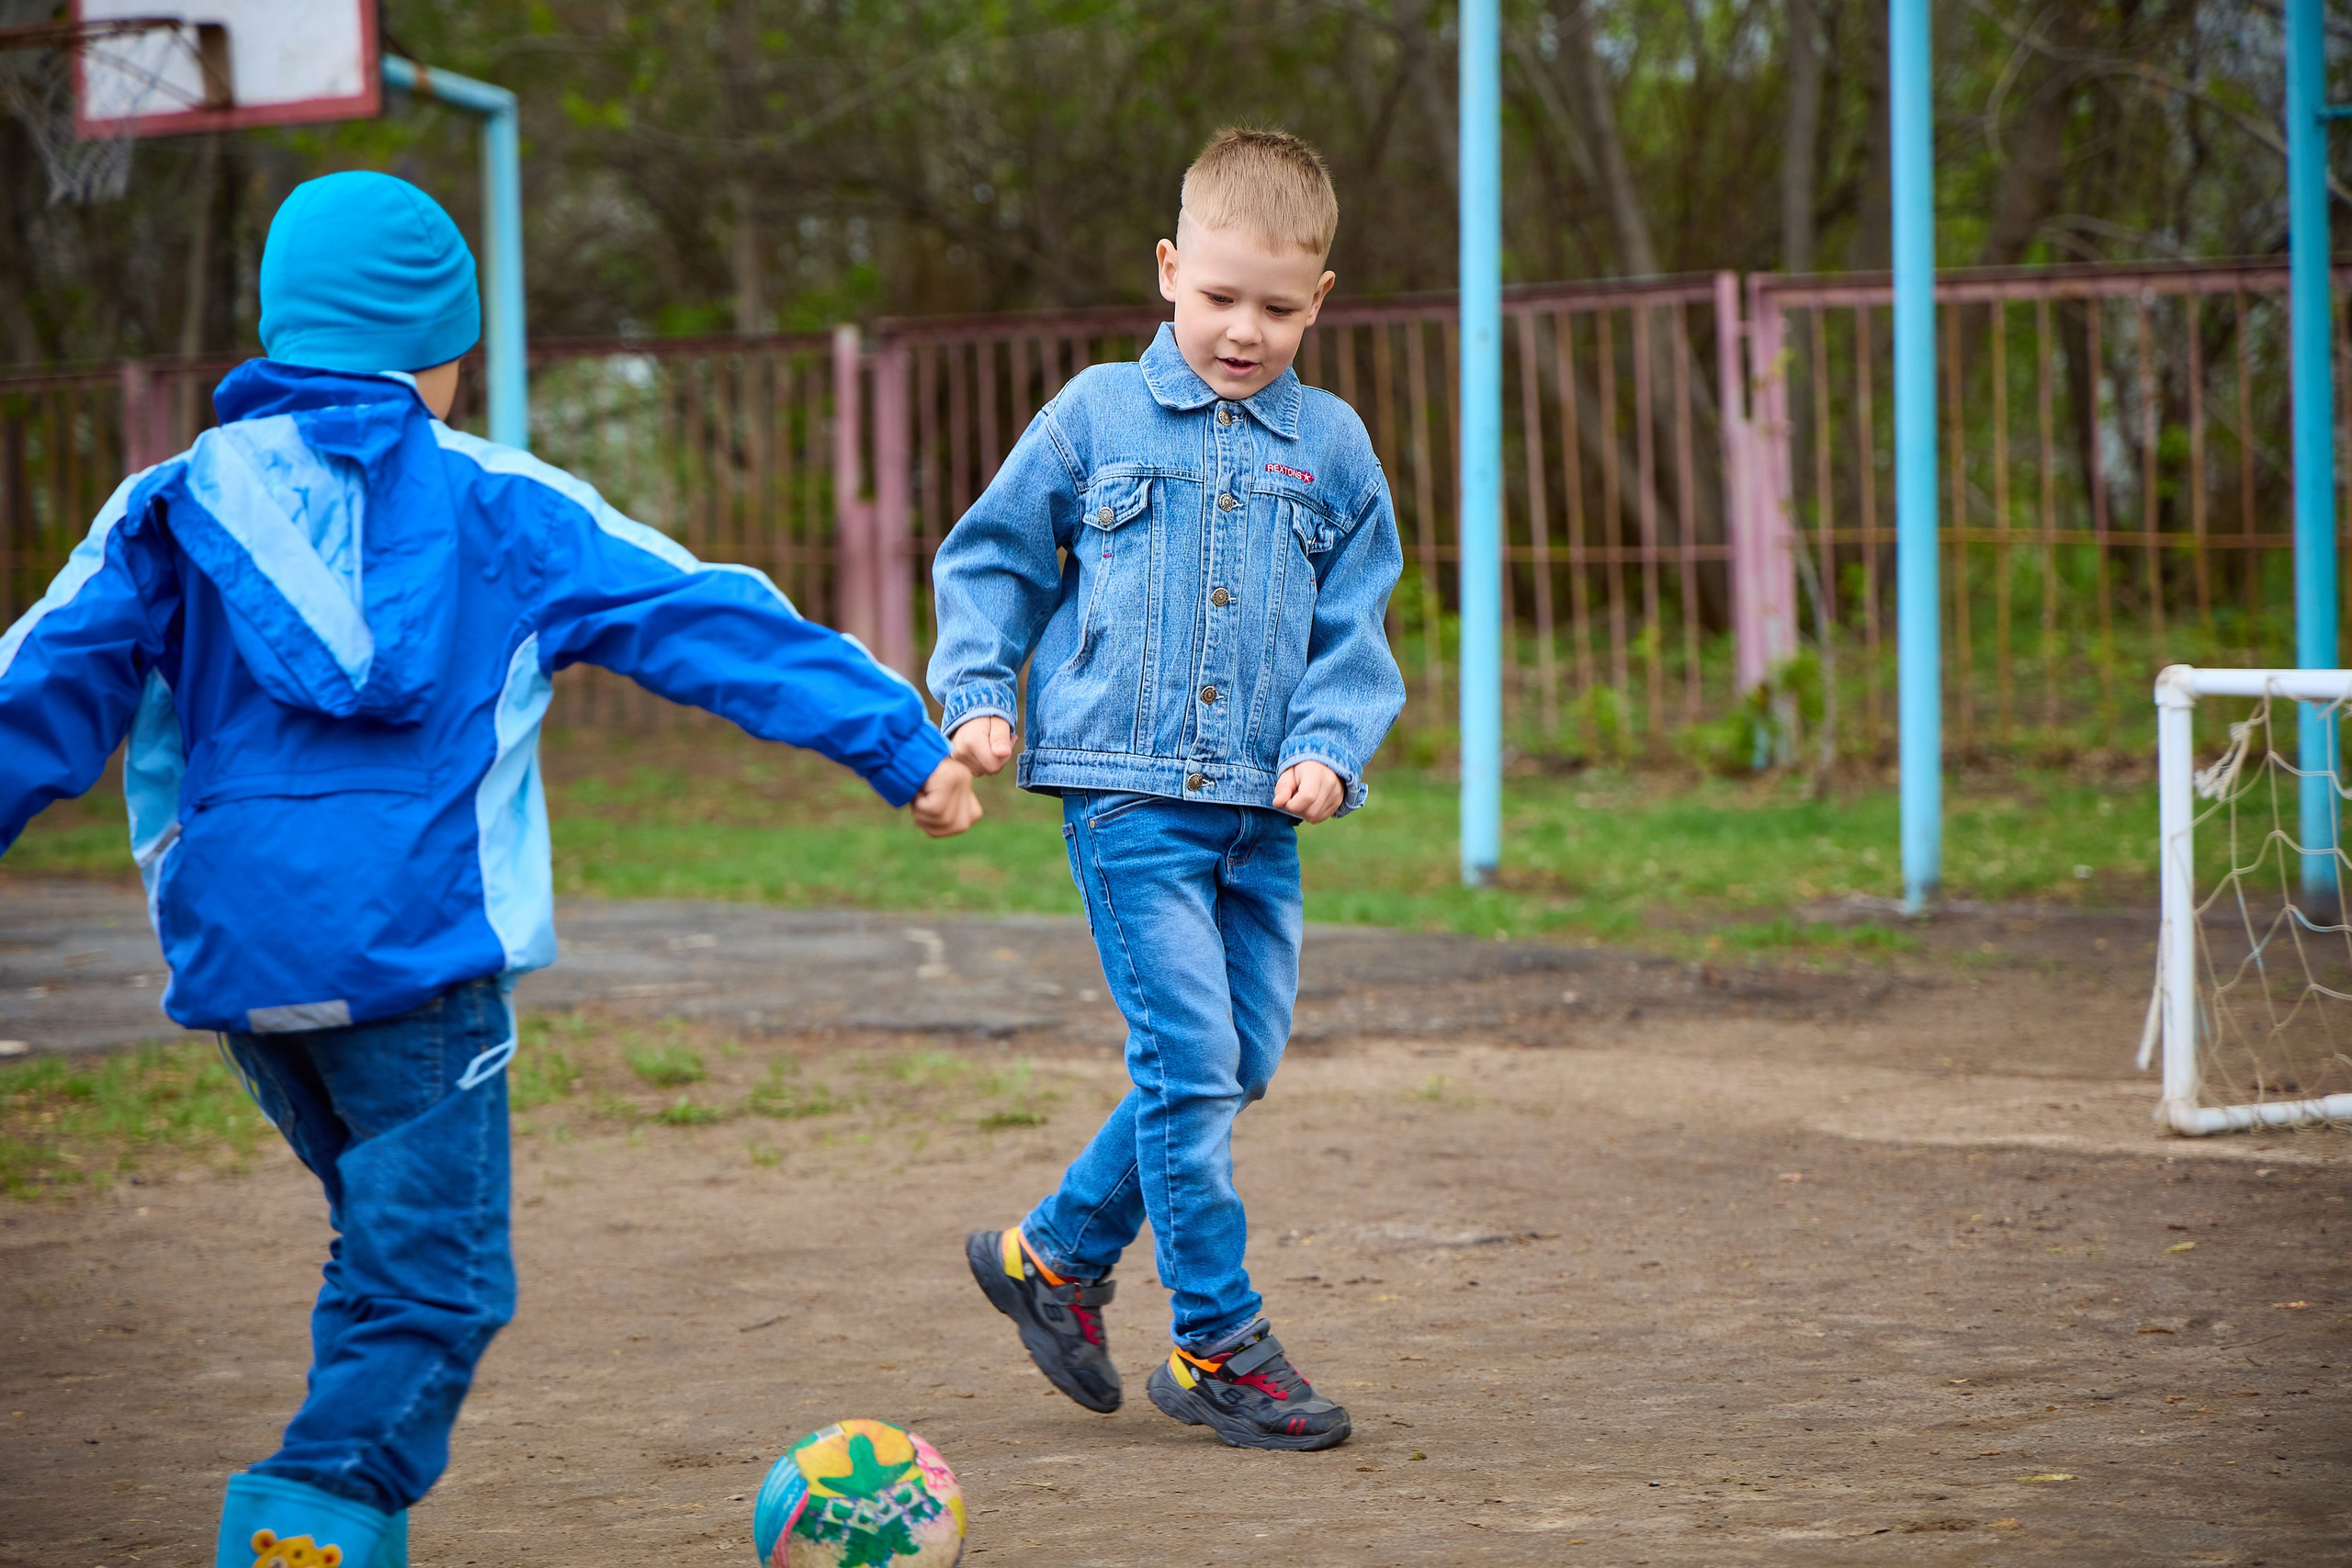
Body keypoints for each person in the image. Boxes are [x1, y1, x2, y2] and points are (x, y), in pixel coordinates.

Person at [0, 171, 979, 1564]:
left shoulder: (166, 510)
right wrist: (898, 742)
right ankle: (315, 1523)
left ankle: (340, 1522)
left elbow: (33, 694)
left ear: (284, 334)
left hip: (243, 972)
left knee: (384, 1255)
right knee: (440, 1287)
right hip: (416, 962)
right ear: (443, 353)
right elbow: (698, 614)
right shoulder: (497, 504)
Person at [931, 128, 1405, 1451]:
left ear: (1320, 301)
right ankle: (1215, 1342)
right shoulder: (1093, 416)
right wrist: (978, 694)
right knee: (1189, 1061)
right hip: (1127, 800)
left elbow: (1354, 631)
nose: (1241, 331)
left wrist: (1329, 743)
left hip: (1265, 816)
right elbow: (992, 561)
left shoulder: (1336, 450)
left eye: (1274, 306)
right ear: (1167, 271)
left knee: (1234, 1061)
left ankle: (1051, 1258)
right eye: (1217, 297)